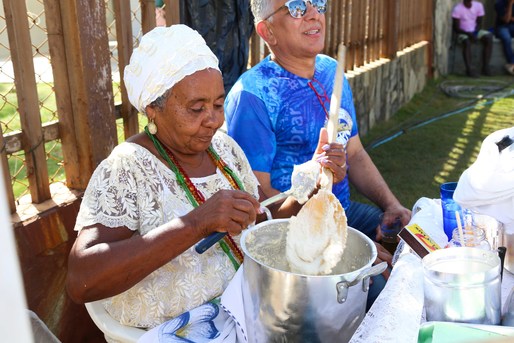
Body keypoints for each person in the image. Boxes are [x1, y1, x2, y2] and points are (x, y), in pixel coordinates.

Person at [66, 25, 327, 340]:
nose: (214, 120)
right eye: (196, 108)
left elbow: (262, 225)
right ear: (153, 109)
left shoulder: (226, 151)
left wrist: (309, 185)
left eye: (218, 105)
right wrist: (197, 223)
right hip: (174, 331)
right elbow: (82, 279)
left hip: (246, 311)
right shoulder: (127, 169)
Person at [224, 0, 411, 308]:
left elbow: (355, 153)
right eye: (297, 7)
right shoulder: (252, 96)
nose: (313, 14)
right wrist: (346, 244)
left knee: (414, 242)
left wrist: (391, 205)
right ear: (266, 30)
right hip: (298, 237)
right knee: (386, 292)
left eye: (318, 3)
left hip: (344, 212)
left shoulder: (330, 70)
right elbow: (261, 210)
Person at [452, 0, 493, 77]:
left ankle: (486, 66)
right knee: (466, 42)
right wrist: (469, 34)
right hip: (463, 33)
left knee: (488, 37)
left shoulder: (478, 6)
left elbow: (479, 23)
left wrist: (475, 33)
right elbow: (456, 28)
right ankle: (469, 69)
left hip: (474, 31)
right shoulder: (457, 9)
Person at [495, 0, 514, 75]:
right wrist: (510, 4)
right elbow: (506, 20)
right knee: (507, 39)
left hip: (512, 26)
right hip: (501, 27)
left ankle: (512, 64)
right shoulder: (499, 4)